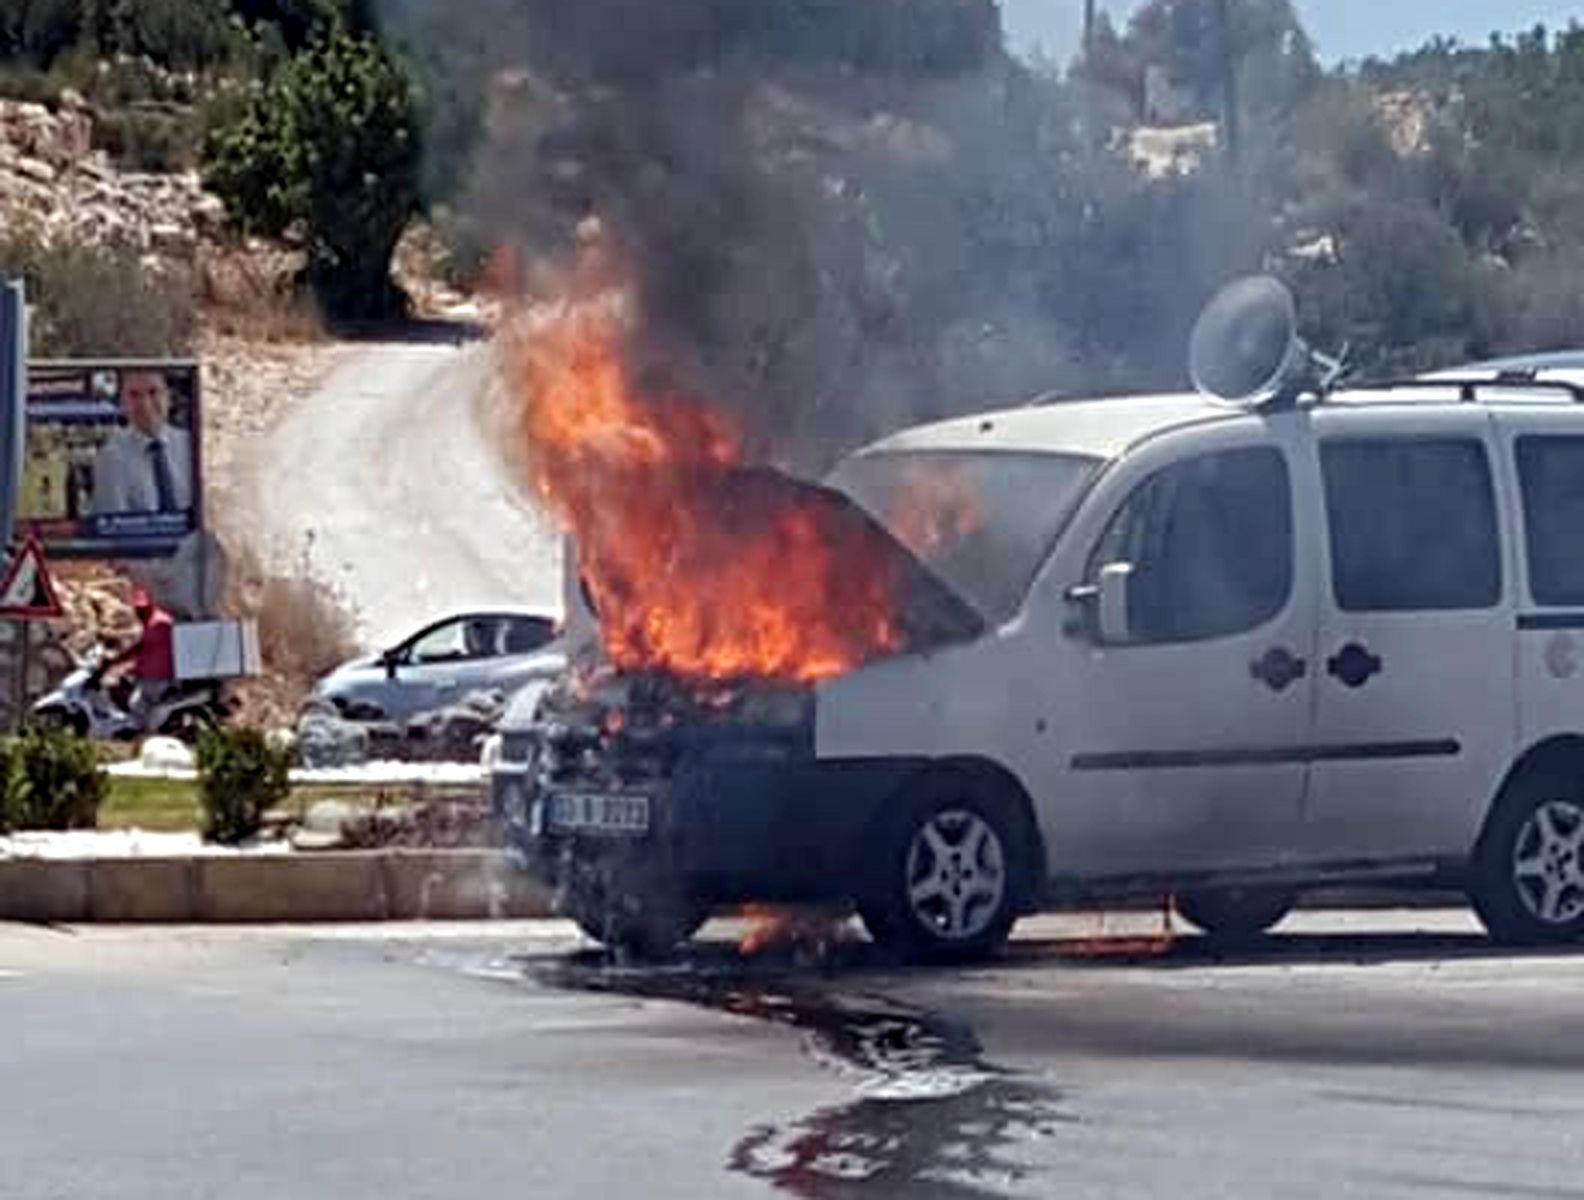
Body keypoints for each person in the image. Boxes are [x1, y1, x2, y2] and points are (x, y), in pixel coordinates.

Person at [91, 370, 195, 516]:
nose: (145, 404)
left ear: (168, 398)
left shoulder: (192, 445)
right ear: (122, 404)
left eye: (153, 392)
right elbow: (115, 525)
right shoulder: (110, 458)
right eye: (134, 395)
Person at [105, 588, 176, 719]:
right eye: (137, 609)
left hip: (157, 676)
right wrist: (119, 659)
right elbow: (139, 648)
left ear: (149, 606)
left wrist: (119, 661)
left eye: (142, 609)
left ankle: (145, 731)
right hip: (151, 675)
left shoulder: (158, 624)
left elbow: (142, 649)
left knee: (135, 705)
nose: (139, 612)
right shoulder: (152, 621)